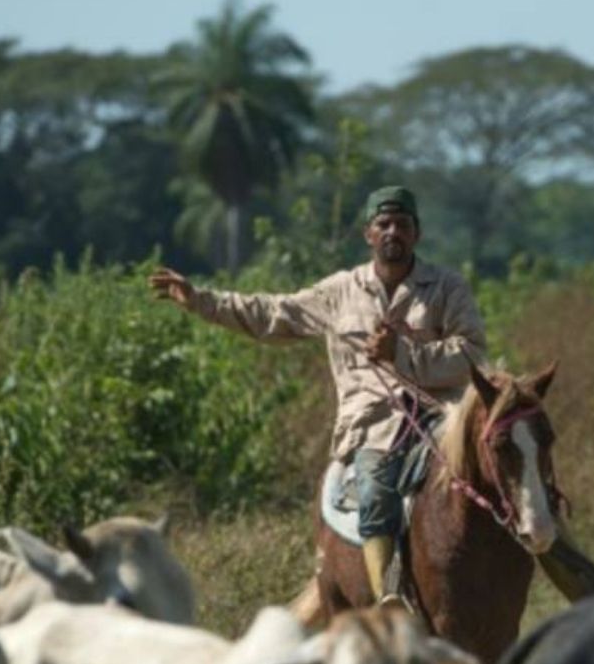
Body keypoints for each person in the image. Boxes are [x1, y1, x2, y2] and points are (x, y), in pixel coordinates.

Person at [147, 186, 484, 606]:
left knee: (510, 459)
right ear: (369, 234)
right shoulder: (339, 292)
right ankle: (390, 598)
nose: (392, 231)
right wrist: (200, 300)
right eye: (384, 224)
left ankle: (566, 565)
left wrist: (404, 356)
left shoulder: (447, 287)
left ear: (417, 233)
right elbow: (271, 313)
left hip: (443, 414)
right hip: (375, 424)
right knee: (377, 492)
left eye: (402, 224)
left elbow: (470, 352)